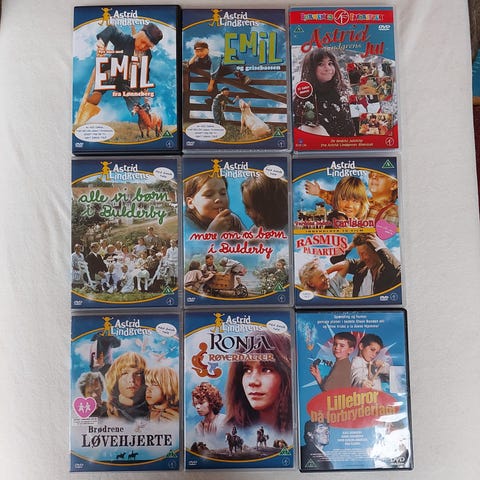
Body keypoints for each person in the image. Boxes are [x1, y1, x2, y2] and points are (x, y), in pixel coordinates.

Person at [76, 23, 163, 125]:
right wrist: (101, 43)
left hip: (129, 82)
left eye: (148, 46)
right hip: (113, 74)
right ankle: (87, 110)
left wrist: (145, 92)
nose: (143, 46)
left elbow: (144, 72)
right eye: (143, 42)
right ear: (139, 34)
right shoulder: (124, 40)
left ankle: (145, 122)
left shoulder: (148, 55)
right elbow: (112, 30)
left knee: (136, 107)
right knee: (99, 88)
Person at [225, 330, 292, 433]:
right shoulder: (225, 431)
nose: (253, 381)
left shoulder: (299, 427)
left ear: (286, 375)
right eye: (247, 370)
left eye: (266, 370)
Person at [293, 48, 355, 136]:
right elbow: (303, 128)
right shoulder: (304, 96)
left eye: (330, 63)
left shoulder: (344, 89)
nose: (328, 68)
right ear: (311, 69)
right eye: (321, 64)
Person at [306, 170, 398, 226]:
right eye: (371, 175)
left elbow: (389, 238)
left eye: (380, 175)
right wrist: (319, 192)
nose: (373, 177)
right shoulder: (367, 203)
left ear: (394, 185)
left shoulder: (392, 212)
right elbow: (339, 197)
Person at [328, 233, 401, 297]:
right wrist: (351, 245)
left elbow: (397, 271)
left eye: (364, 253)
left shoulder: (388, 269)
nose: (362, 258)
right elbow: (335, 260)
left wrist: (381, 247)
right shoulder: (359, 266)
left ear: (376, 250)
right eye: (359, 254)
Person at [186, 40, 251, 95]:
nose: (200, 53)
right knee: (210, 77)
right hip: (218, 69)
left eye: (201, 51)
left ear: (207, 50)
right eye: (197, 51)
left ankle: (243, 77)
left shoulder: (213, 56)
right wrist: (195, 55)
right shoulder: (200, 58)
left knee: (223, 65)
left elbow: (214, 71)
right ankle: (214, 98)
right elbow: (189, 64)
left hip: (229, 63)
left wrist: (210, 85)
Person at [105, 352, 148, 421]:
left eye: (138, 373)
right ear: (115, 379)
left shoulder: (155, 411)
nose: (131, 380)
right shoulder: (106, 413)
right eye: (124, 373)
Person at [305, 176, 369, 222]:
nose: (349, 205)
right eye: (344, 199)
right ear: (336, 200)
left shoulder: (365, 215)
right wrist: (319, 192)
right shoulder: (337, 216)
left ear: (362, 204)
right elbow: (331, 197)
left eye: (355, 201)